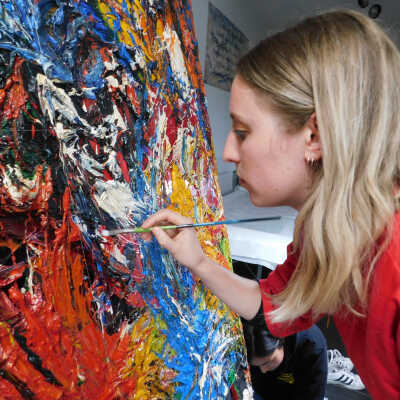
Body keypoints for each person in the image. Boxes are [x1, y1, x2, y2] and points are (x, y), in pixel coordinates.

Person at [141, 9, 400, 399]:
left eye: (243, 132)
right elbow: (272, 305)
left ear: (314, 136)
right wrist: (198, 262)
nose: (228, 153)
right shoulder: (322, 232)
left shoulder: (393, 265)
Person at [242, 320, 327, 400]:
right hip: (265, 387)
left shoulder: (313, 347)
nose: (263, 370)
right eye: (257, 365)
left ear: (281, 340)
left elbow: (314, 395)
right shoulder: (246, 336)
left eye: (267, 363)